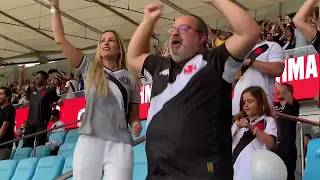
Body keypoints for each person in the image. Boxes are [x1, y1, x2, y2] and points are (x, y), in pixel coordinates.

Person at [127, 0, 260, 179]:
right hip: (158, 174)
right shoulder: (160, 65)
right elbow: (133, 57)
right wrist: (148, 21)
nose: (174, 32)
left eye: (183, 28)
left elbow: (250, 32)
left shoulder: (216, 61)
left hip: (203, 173)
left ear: (202, 37)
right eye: (173, 29)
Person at [50, 0, 142, 179]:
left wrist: (136, 123)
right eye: (102, 41)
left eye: (111, 40)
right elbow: (60, 40)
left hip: (120, 145)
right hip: (89, 141)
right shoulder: (89, 69)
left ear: (119, 48)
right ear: (99, 48)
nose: (106, 43)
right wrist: (54, 7)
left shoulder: (131, 77)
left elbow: (134, 115)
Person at [232, 86, 277, 180]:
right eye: (243, 102)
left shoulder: (268, 121)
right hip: (235, 170)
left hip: (254, 173)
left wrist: (250, 127)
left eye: (250, 101)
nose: (246, 105)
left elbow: (271, 143)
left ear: (260, 103)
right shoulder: (238, 122)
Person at [232, 37, 285, 116]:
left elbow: (278, 69)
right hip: (237, 110)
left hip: (260, 108)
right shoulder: (239, 52)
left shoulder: (271, 46)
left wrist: (251, 62)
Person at [22, 70, 61, 148]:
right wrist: (21, 72)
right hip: (30, 121)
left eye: (38, 78)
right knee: (26, 145)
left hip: (42, 122)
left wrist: (53, 103)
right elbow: (21, 87)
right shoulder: (31, 89)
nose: (36, 79)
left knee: (40, 145)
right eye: (36, 78)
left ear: (44, 79)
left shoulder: (49, 90)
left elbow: (60, 102)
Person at [274, 82, 300, 180]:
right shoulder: (274, 105)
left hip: (288, 147)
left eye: (282, 89)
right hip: (275, 145)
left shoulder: (293, 105)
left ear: (289, 93)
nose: (278, 91)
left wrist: (272, 78)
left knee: (287, 174)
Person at [0, 87, 16, 160]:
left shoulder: (10, 108)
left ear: (8, 96)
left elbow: (3, 130)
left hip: (4, 147)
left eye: (1, 94)